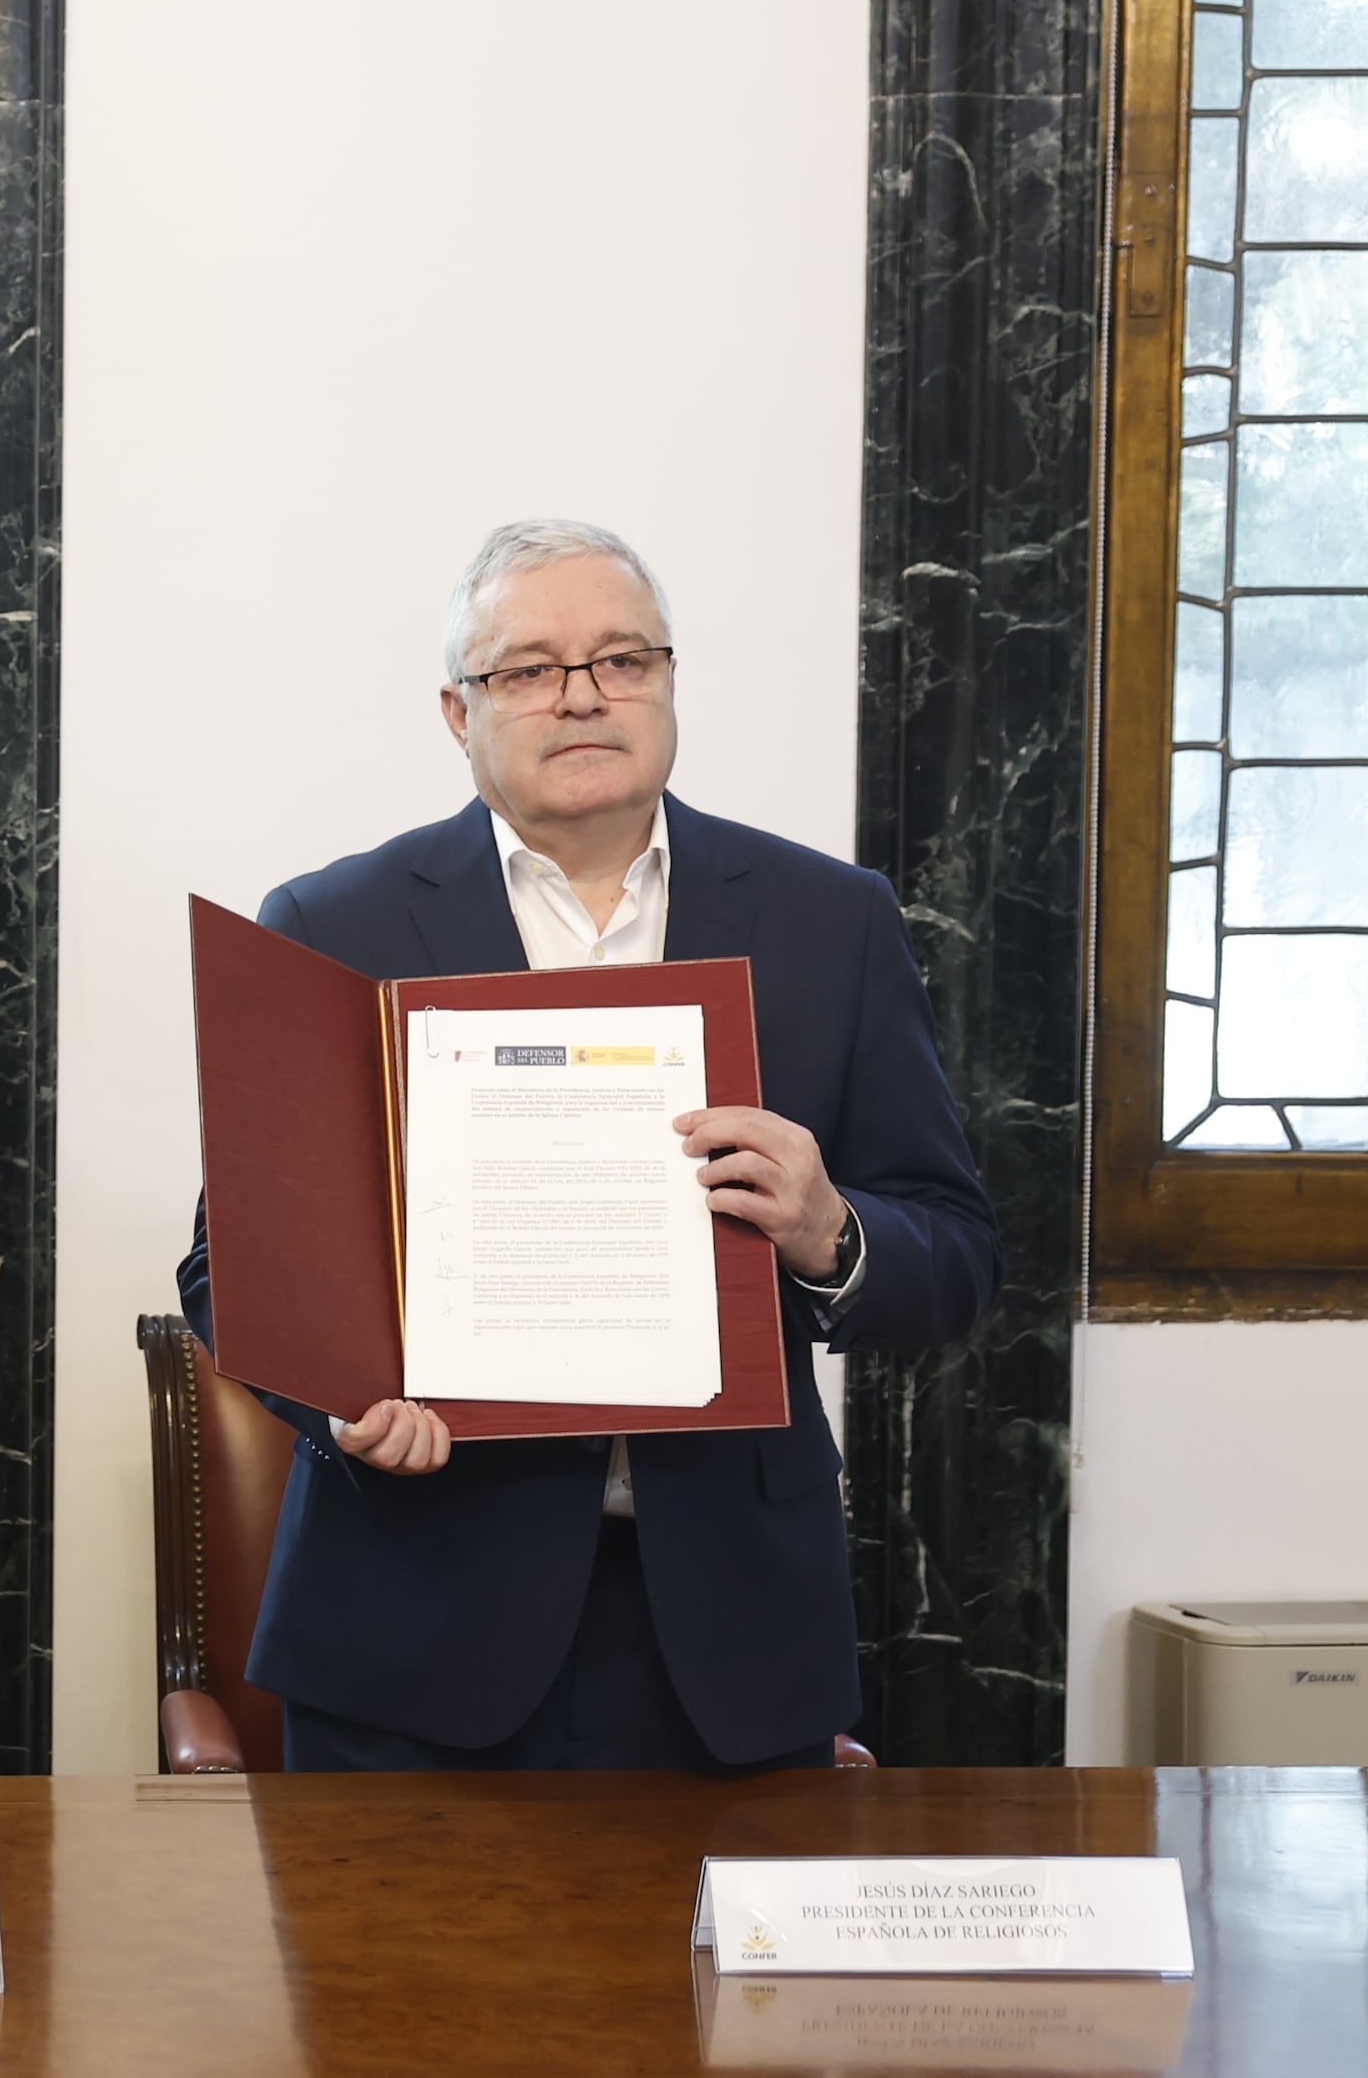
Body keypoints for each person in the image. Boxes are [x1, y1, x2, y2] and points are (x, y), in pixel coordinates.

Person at [177, 518, 996, 1772]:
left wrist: (829, 1230)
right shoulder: (332, 921)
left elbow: (955, 1260)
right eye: (526, 669)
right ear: (457, 712)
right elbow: (226, 1266)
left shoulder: (829, 921)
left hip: (727, 1631)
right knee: (395, 1981)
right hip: (414, 1613)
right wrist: (336, 1400)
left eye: (623, 659)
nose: (581, 696)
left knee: (720, 1982)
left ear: (668, 685)